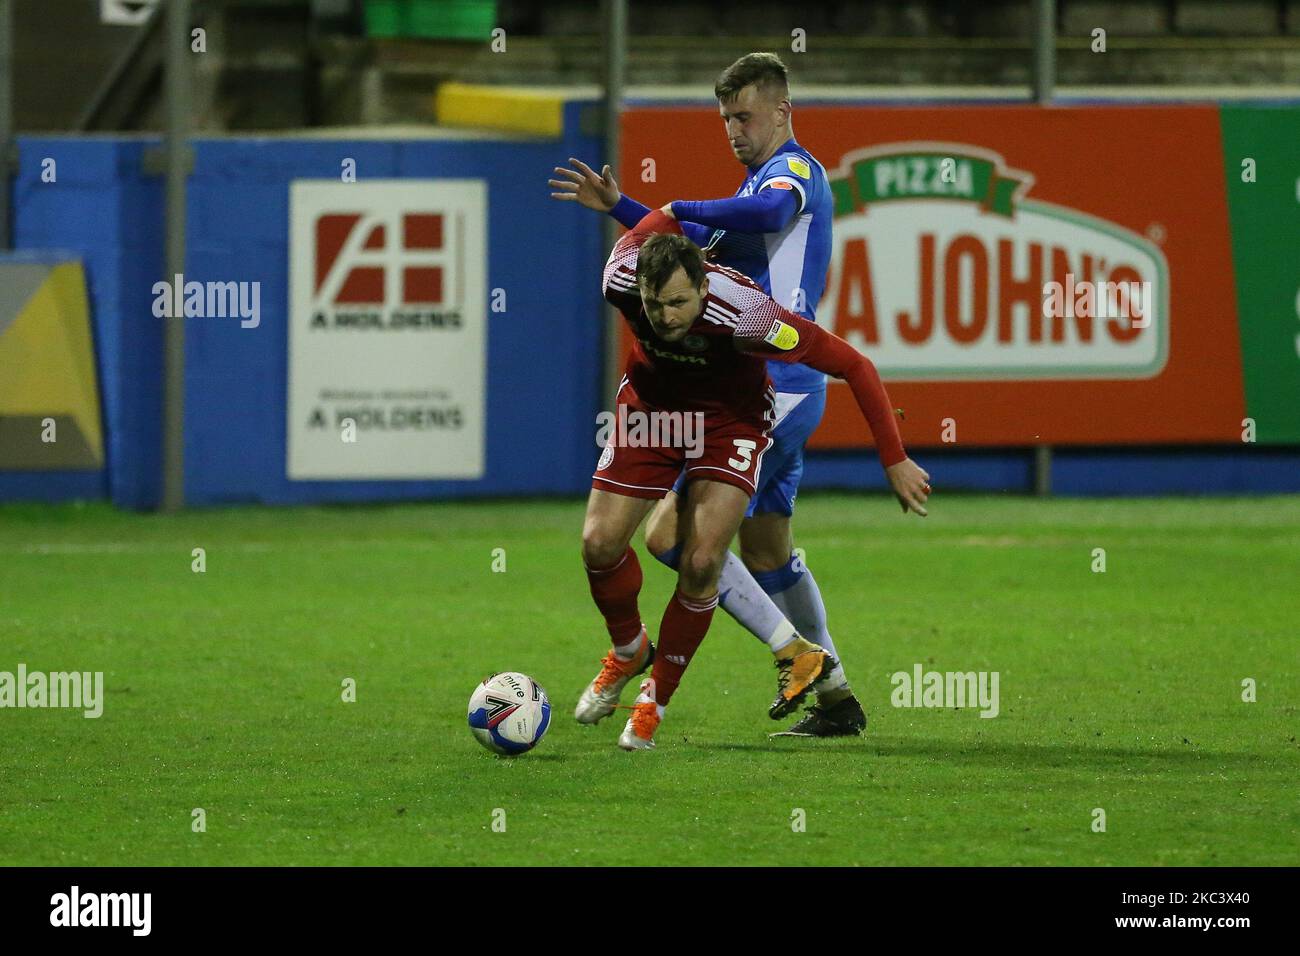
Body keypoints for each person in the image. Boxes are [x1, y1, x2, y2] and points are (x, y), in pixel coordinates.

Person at [551, 52, 892, 735]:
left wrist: (679, 205)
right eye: (725, 118)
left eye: (745, 116)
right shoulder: (744, 196)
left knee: (676, 541)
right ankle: (837, 700)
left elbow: (765, 210)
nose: (733, 129)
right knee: (767, 553)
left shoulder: (790, 171)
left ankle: (801, 658)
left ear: (780, 111)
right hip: (785, 388)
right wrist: (619, 205)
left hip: (777, 384)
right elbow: (673, 250)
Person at [575, 208, 929, 750]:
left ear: (703, 283)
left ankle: (653, 703)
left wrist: (893, 456)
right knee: (598, 545)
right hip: (652, 413)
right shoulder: (619, 277)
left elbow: (853, 364)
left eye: (679, 302)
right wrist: (630, 203)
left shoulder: (746, 313)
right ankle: (628, 649)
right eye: (655, 305)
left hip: (729, 421)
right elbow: (657, 220)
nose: (666, 317)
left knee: (698, 560)